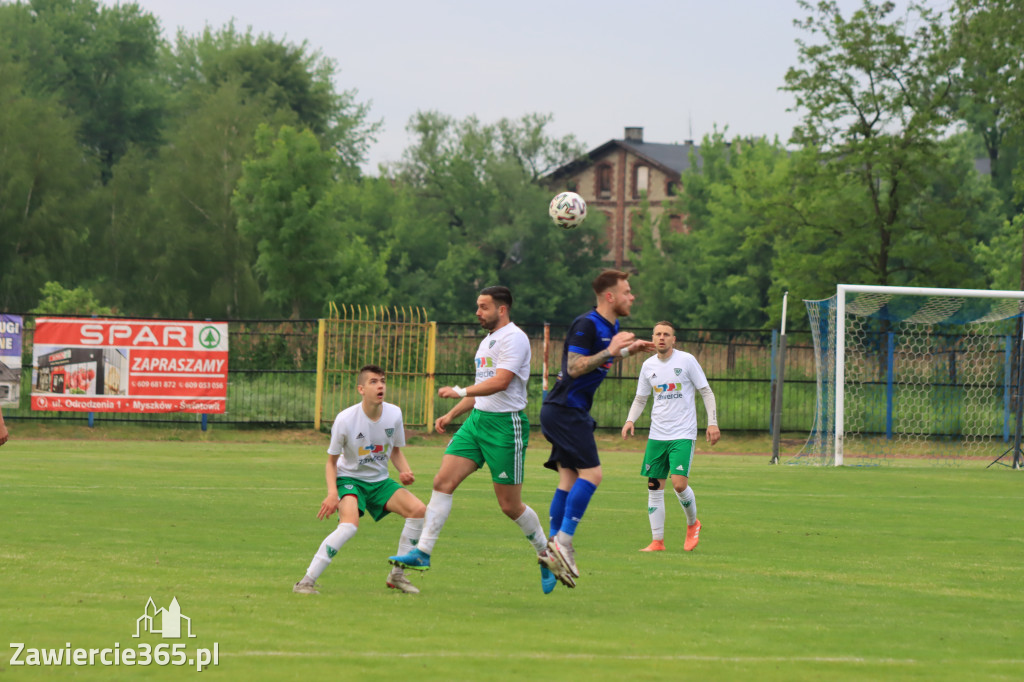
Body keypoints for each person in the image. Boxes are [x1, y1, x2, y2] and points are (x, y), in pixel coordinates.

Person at [388, 286, 558, 593]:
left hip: (506, 427)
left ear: (502, 309)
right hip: (477, 423)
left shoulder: (515, 338)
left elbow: (501, 382)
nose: (477, 312)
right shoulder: (487, 341)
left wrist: (461, 391)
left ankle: (545, 553)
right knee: (442, 482)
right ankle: (423, 552)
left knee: (509, 505)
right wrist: (453, 413)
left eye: (483, 307)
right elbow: (482, 388)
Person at [539, 269, 654, 587]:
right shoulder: (587, 323)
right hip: (565, 410)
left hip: (565, 411)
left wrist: (629, 350)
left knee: (569, 478)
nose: (632, 297)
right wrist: (612, 350)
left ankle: (551, 553)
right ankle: (563, 542)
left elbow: (601, 360)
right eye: (627, 292)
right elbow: (575, 367)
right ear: (610, 296)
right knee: (593, 474)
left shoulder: (612, 326)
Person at [293, 364, 426, 595]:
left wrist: (405, 470)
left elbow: (395, 451)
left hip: (380, 482)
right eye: (373, 381)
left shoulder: (394, 414)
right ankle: (306, 581)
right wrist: (332, 494)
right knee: (348, 526)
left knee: (418, 510)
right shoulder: (345, 420)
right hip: (350, 480)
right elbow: (331, 462)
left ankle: (397, 574)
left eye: (383, 380)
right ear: (361, 389)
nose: (380, 385)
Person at [621, 320, 720, 552]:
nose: (662, 338)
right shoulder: (647, 365)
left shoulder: (686, 361)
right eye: (657, 334)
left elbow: (705, 391)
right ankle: (658, 541)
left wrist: (712, 422)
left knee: (678, 484)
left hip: (682, 434)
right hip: (657, 435)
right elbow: (641, 398)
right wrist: (630, 420)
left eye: (666, 334)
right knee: (654, 486)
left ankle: (692, 523)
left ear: (674, 339)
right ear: (653, 339)